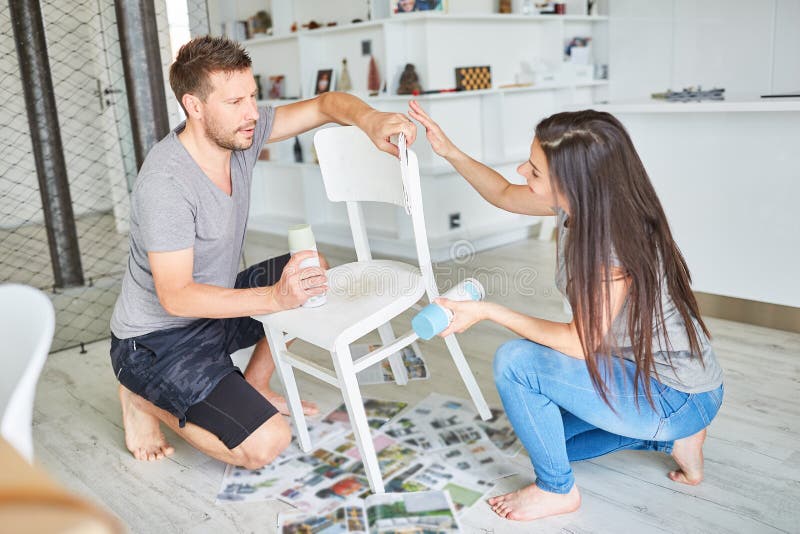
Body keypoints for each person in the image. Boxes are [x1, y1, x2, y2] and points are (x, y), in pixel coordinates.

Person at [109, 35, 416, 469]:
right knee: (265, 444)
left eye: (252, 97)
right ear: (194, 107)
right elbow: (175, 296)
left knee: (312, 268)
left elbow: (327, 104)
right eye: (235, 102)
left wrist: (370, 120)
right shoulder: (167, 183)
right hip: (158, 338)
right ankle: (140, 399)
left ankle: (254, 383)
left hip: (213, 308)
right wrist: (274, 299)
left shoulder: (241, 134)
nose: (253, 113)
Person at [408, 100, 723, 521]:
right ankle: (671, 440)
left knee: (516, 361)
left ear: (573, 183)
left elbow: (580, 344)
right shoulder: (586, 204)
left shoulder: (611, 243)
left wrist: (487, 312)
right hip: (647, 376)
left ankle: (558, 491)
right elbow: (502, 194)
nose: (522, 171)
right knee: (557, 443)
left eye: (535, 170)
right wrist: (448, 150)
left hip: (675, 393)